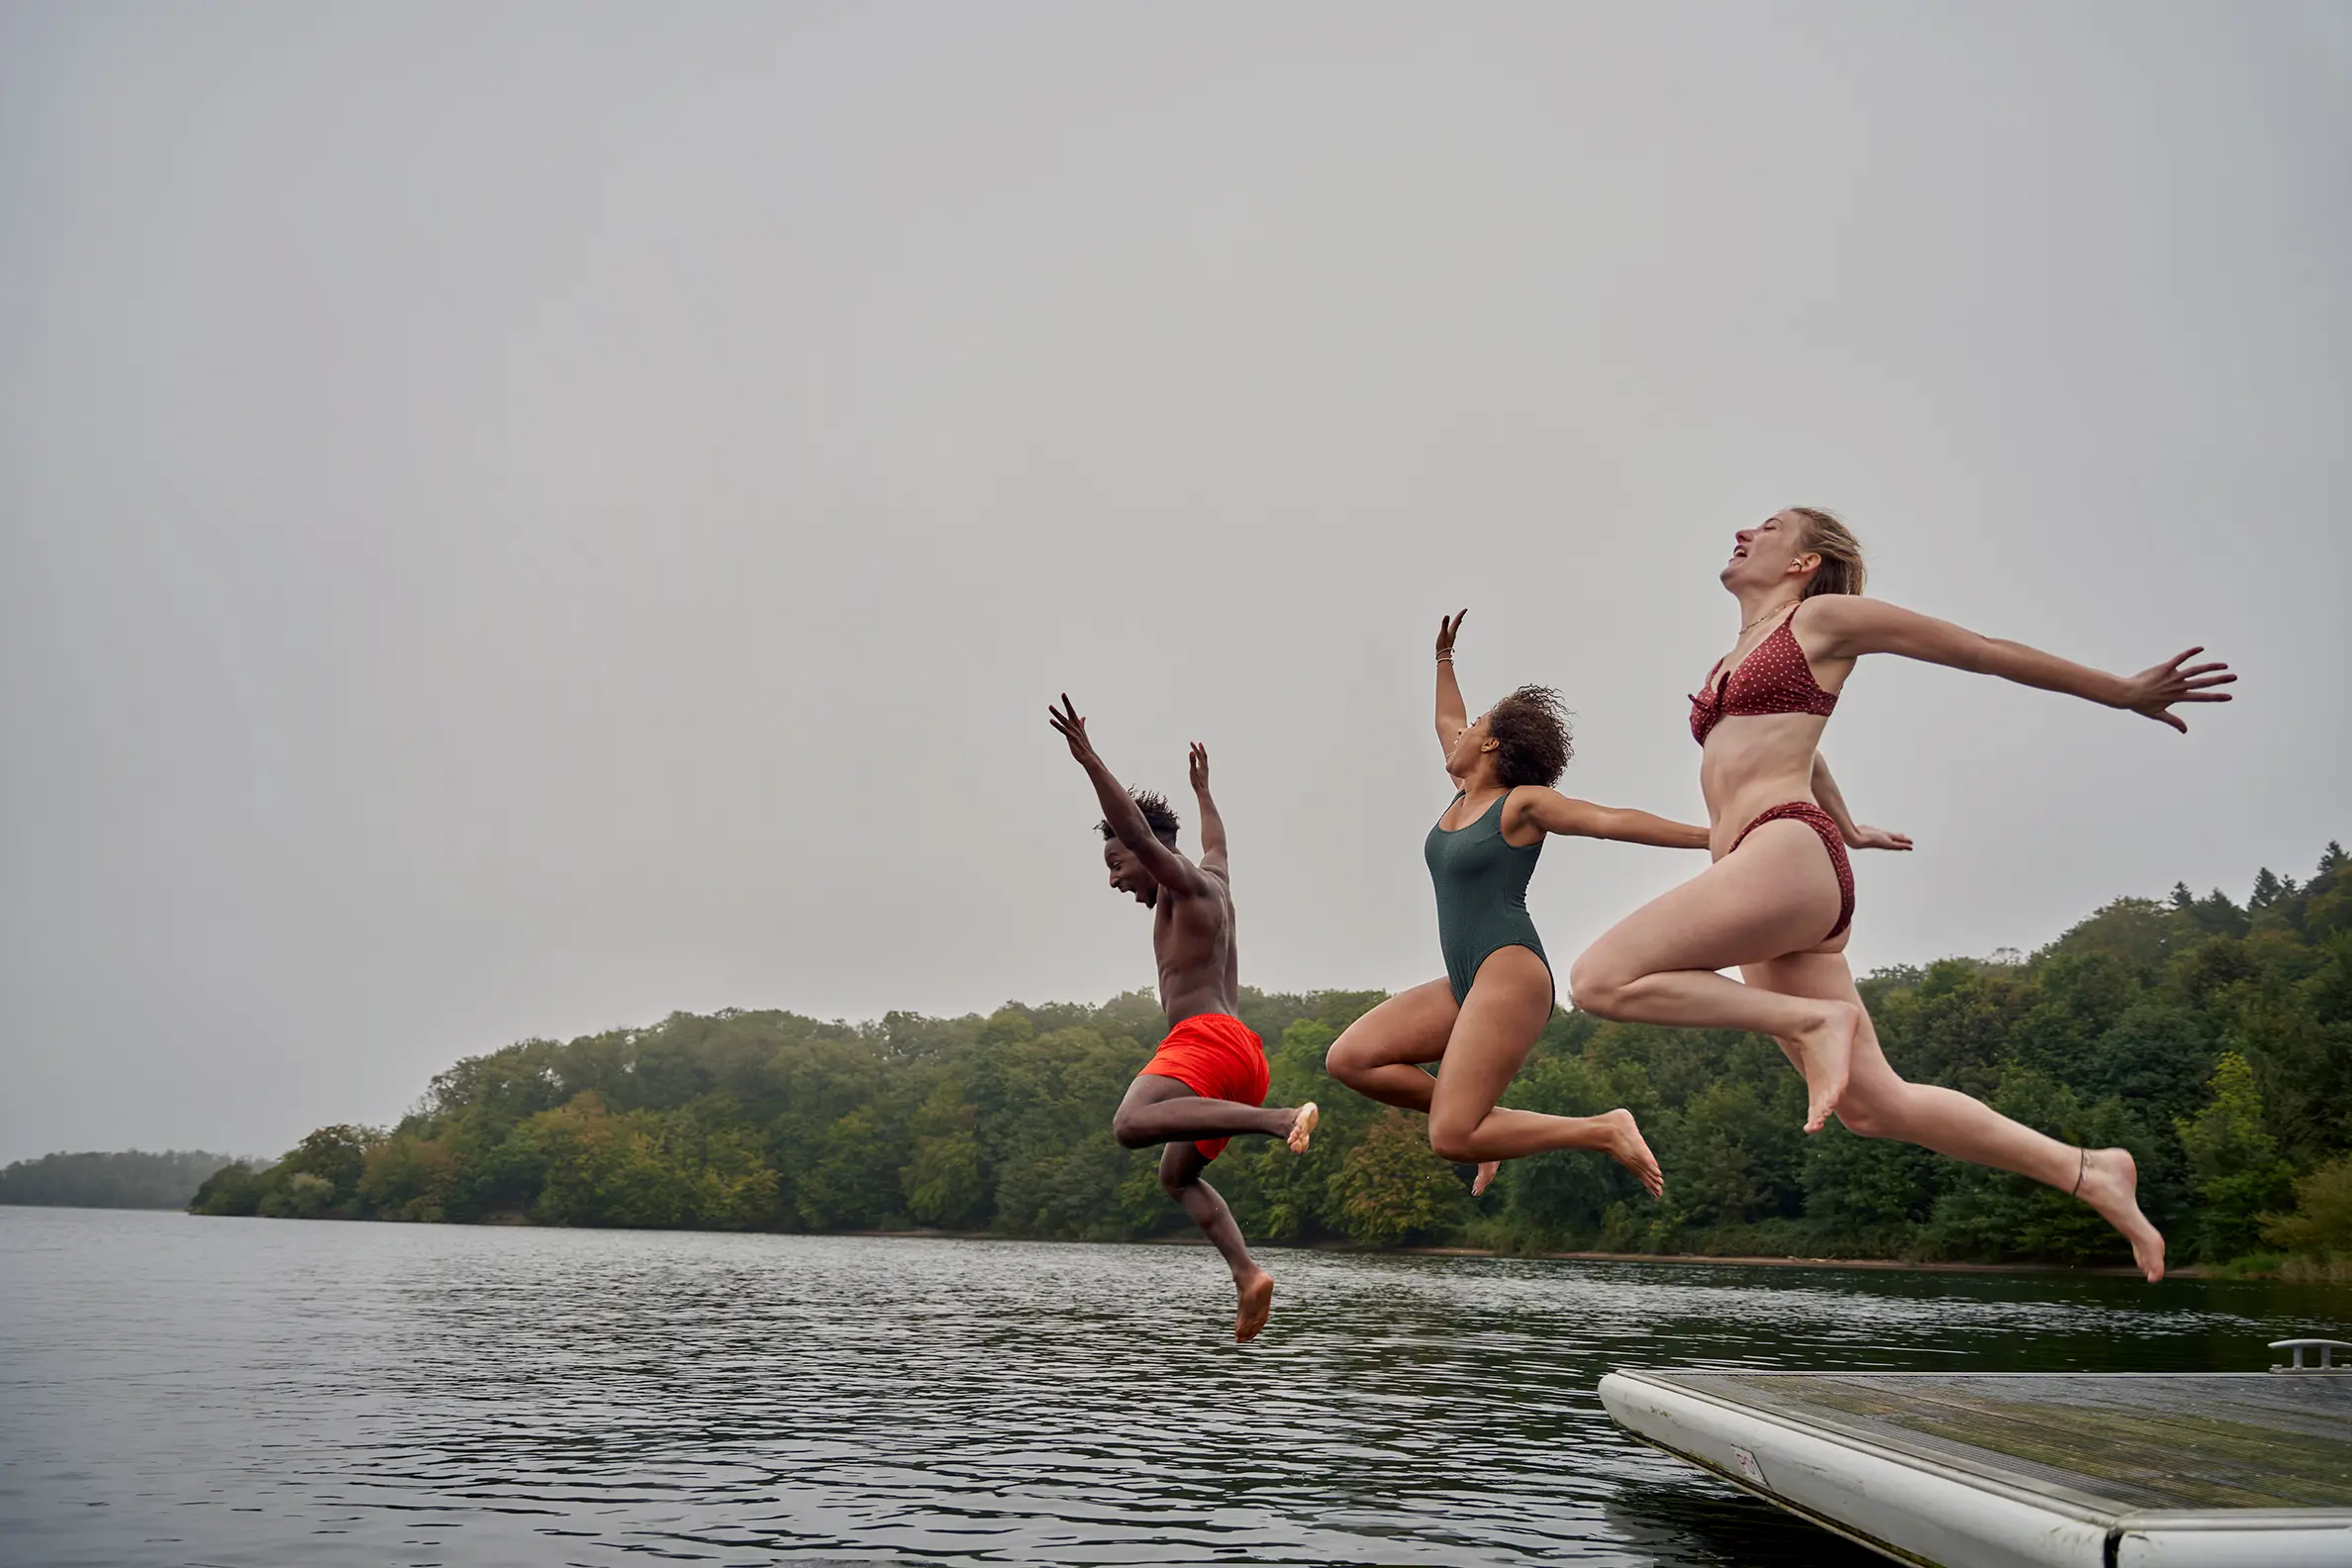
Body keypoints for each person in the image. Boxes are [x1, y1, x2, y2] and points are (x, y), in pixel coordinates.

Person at [1567, 508, 2235, 1282]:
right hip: (1772, 871)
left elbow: (1979, 652)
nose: (1744, 531)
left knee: (1601, 979)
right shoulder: (1735, 654)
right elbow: (1798, 741)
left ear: (1805, 560)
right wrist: (1850, 825)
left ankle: (1816, 1022)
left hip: (1780, 853)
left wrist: (2118, 691)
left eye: (1770, 526)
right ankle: (2090, 1172)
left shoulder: (1824, 617)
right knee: (1874, 1106)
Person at [1324, 610, 1719, 1200]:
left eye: (1473, 728)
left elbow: (1609, 821)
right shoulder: (1462, 795)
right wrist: (1443, 659)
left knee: (1451, 1138)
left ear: (1491, 744)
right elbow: (1446, 719)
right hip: (1465, 979)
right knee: (1352, 1059)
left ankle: (1603, 1129)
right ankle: (1485, 1121)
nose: (1456, 736)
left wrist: (1716, 836)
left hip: (1508, 970)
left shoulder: (1520, 805)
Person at [1047, 695, 1319, 1341]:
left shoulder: (1184, 886)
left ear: (1148, 853)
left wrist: (1090, 760)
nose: (1115, 880)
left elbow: (1139, 832)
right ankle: (1249, 1275)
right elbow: (1217, 841)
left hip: (1208, 1043)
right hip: (1243, 1053)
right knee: (1177, 1175)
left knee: (1129, 1124)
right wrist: (1203, 792)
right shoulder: (1214, 880)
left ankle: (1280, 1121)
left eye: (1116, 865)